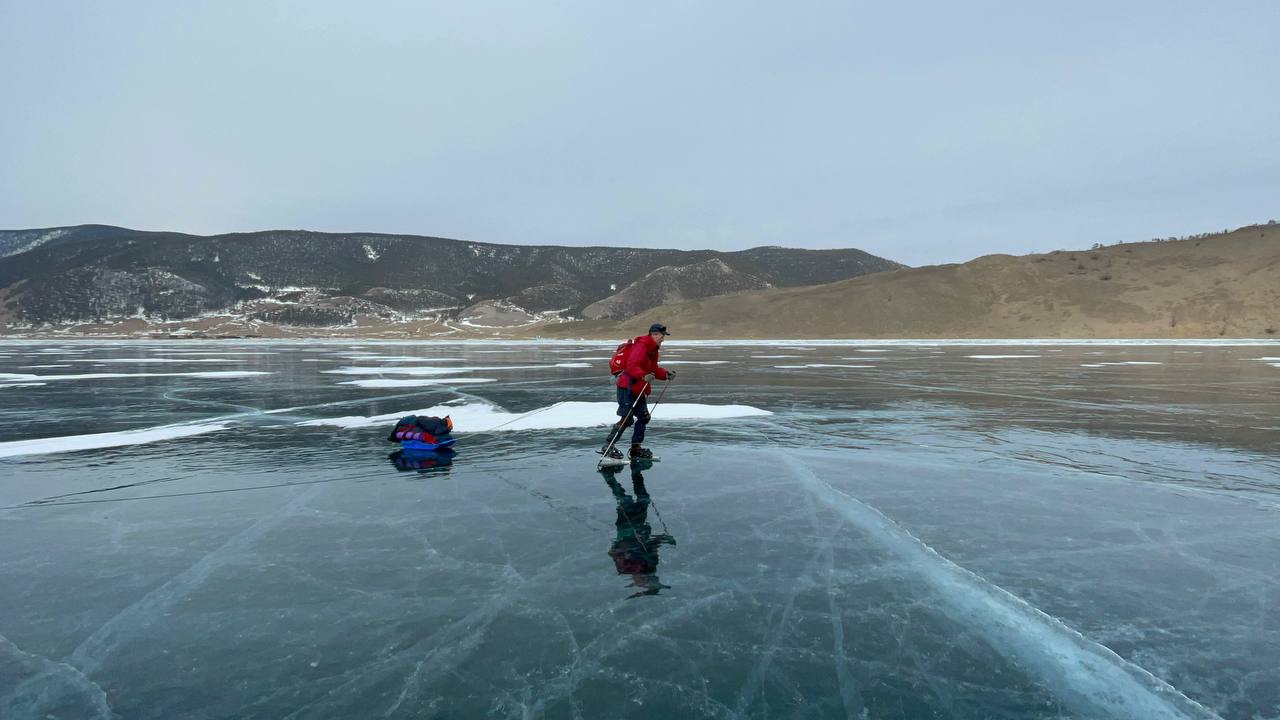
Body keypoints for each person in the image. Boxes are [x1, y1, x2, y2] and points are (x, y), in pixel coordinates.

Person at [599, 323, 675, 461]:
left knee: (644, 417)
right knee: (626, 419)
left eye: (664, 336)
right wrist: (643, 375)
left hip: (639, 387)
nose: (663, 339)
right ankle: (608, 447)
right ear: (654, 335)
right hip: (627, 387)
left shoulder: (653, 349)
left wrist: (665, 374)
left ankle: (636, 449)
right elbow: (632, 366)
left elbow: (653, 368)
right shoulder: (641, 346)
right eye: (662, 336)